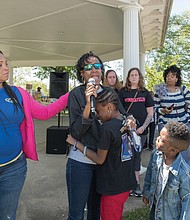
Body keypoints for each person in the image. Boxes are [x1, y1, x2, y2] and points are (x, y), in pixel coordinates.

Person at [66, 51, 135, 220]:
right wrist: (88, 104)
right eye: (88, 67)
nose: (94, 70)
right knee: (76, 213)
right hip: (80, 163)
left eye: (97, 66)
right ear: (82, 73)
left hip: (104, 163)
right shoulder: (76, 95)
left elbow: (123, 117)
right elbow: (75, 133)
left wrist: (131, 121)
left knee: (96, 212)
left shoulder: (110, 94)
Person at [0, 50, 69, 220]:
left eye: (6, 63)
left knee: (7, 216)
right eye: (0, 65)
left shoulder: (18, 93)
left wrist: (70, 95)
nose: (6, 68)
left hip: (13, 168)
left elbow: (44, 113)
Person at [142, 121, 190, 220]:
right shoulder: (156, 155)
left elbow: (187, 202)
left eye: (162, 140)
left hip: (170, 215)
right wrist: (147, 193)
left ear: (172, 150)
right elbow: (150, 173)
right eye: (159, 136)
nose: (157, 139)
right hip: (155, 209)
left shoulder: (184, 173)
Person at [118, 67, 154, 197]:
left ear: (139, 77)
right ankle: (125, 184)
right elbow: (119, 110)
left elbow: (150, 113)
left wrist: (143, 127)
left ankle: (136, 184)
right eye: (131, 75)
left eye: (136, 75)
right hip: (126, 131)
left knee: (137, 157)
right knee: (126, 156)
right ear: (128, 77)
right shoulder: (122, 92)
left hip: (140, 131)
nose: (133, 77)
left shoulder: (145, 93)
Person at [154, 65, 190, 164]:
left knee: (184, 151)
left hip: (183, 125)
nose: (169, 77)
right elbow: (155, 107)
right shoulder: (160, 90)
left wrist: (187, 116)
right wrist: (163, 110)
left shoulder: (183, 89)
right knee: (167, 151)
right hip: (166, 126)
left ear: (177, 78)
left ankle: (184, 172)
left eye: (172, 76)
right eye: (168, 75)